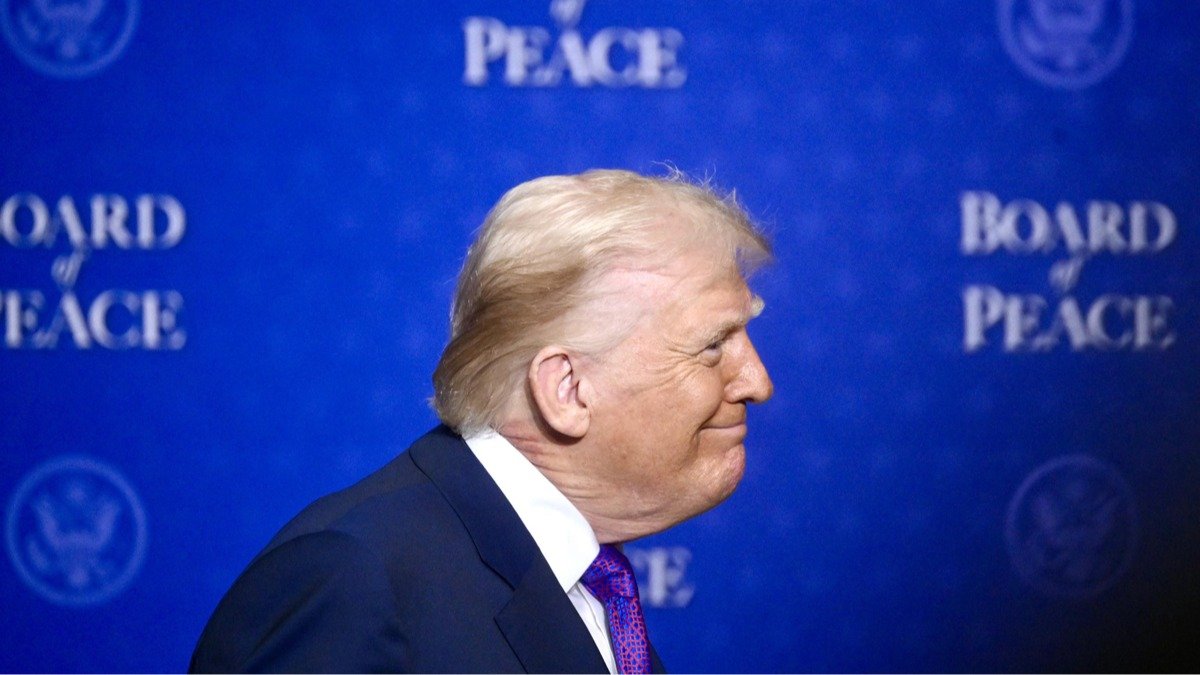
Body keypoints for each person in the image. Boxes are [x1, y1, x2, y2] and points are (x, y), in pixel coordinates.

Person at [190, 169, 774, 673]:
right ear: (567, 390)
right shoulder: (353, 582)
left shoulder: (586, 576)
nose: (757, 382)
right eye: (713, 345)